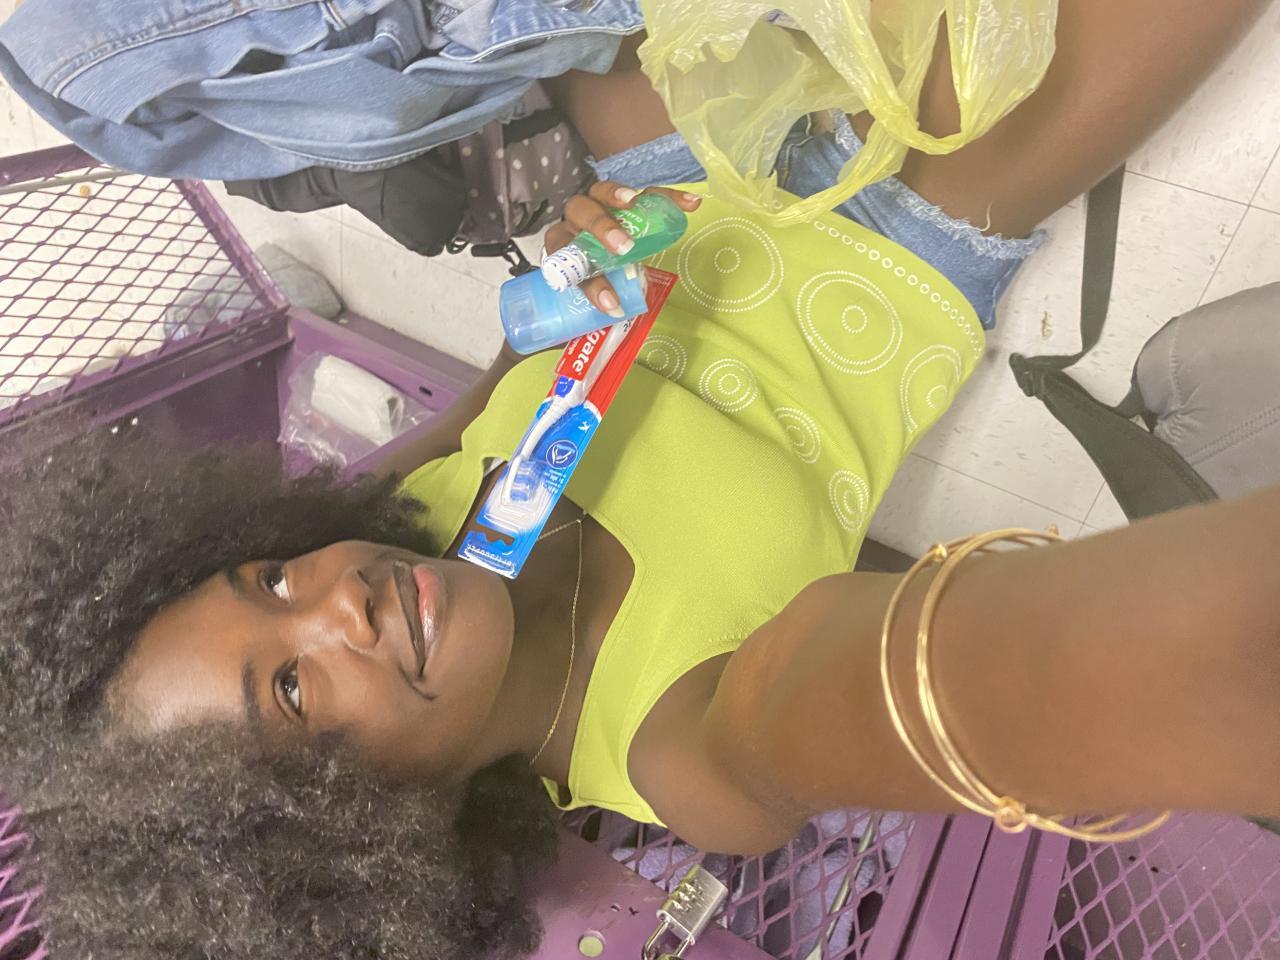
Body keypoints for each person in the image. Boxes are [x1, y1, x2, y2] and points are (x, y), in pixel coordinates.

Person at [4, 2, 1277, 958]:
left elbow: (517, 372)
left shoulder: (400, 523)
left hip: (674, 178)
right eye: (291, 689)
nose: (338, 599)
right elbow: (983, 681)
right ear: (350, 839)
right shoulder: (686, 753)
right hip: (906, 240)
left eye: (269, 576)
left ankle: (444, 125)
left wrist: (563, 275)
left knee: (75, 63)